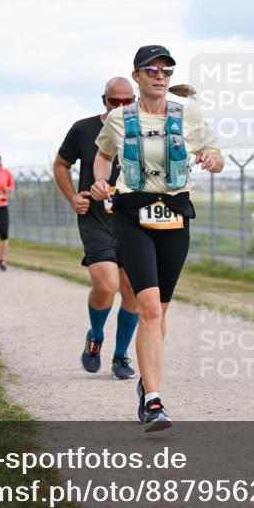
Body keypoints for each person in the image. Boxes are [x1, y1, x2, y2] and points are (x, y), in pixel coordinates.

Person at [90, 46, 223, 429]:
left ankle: (148, 379)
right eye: (152, 70)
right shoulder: (119, 118)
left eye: (166, 70)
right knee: (147, 306)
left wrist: (212, 160)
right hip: (132, 214)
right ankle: (153, 401)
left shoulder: (188, 114)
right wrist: (101, 179)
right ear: (137, 76)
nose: (160, 76)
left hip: (175, 215)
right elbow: (103, 154)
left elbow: (214, 153)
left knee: (160, 312)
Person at [55, 77, 141, 381]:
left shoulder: (145, 129)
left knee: (131, 289)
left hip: (133, 218)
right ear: (103, 100)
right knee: (106, 285)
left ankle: (121, 356)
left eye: (125, 102)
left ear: (135, 99)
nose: (119, 107)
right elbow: (61, 165)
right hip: (95, 218)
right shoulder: (84, 129)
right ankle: (95, 336)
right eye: (112, 102)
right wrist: (72, 197)